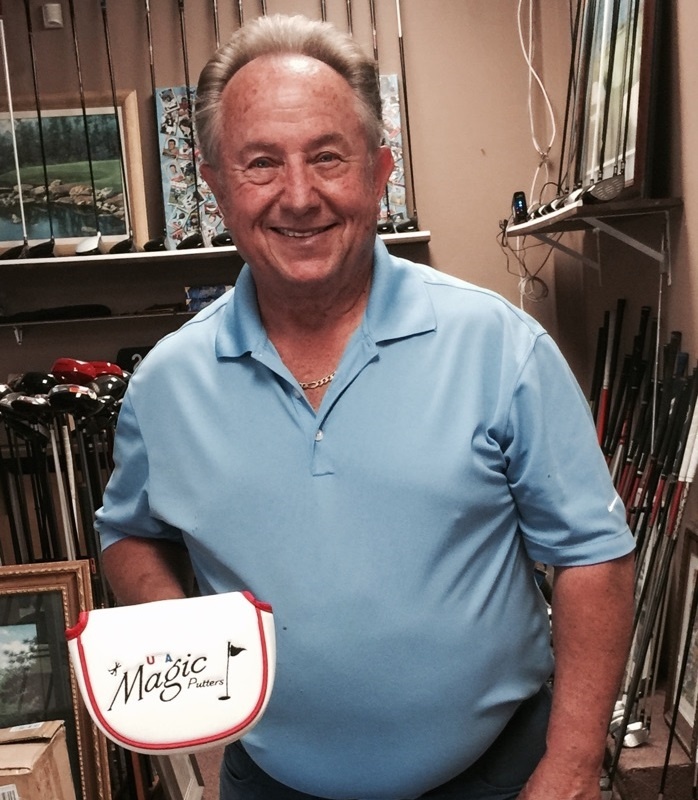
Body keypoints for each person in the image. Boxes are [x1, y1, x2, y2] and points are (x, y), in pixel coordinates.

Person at [97, 14, 635, 800]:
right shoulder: (167, 384)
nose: (299, 196)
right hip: (268, 785)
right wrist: (193, 663)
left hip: (498, 778)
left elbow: (593, 556)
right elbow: (130, 536)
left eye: (328, 157)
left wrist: (573, 765)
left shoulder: (497, 348)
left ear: (381, 170)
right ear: (214, 187)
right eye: (260, 164)